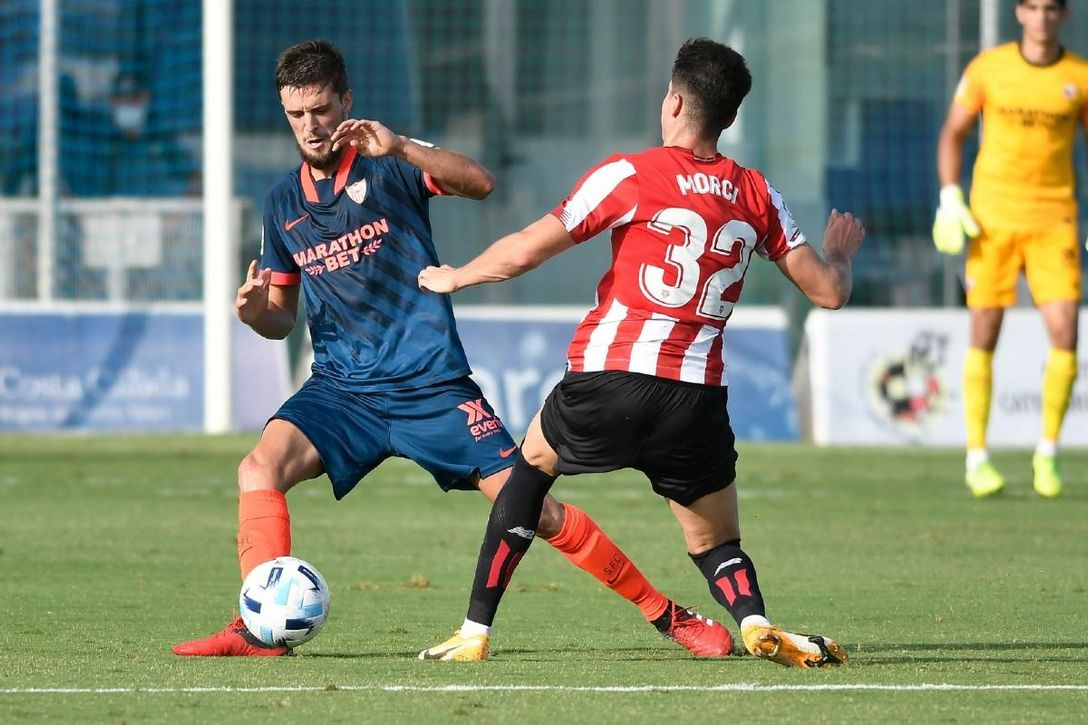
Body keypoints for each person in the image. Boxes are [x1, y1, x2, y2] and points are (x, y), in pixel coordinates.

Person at [173, 39, 730, 658]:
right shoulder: (282, 203)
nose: (311, 126)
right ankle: (259, 629)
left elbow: (482, 183)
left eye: (322, 110)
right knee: (257, 468)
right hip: (341, 390)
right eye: (297, 115)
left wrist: (403, 146)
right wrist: (255, 314)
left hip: (430, 387)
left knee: (535, 510)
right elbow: (280, 319)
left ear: (346, 101)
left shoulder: (389, 163)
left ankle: (667, 615)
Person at [417, 37, 864, 668]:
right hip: (694, 398)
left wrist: (456, 276)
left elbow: (525, 251)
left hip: (611, 375)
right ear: (729, 119)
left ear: (675, 101)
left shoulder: (631, 173)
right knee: (714, 540)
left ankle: (473, 631)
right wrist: (841, 253)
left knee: (531, 467)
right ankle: (756, 620)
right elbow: (828, 290)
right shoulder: (757, 193)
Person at [933, 0, 1086, 499]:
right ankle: (977, 457)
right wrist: (950, 195)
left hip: (1053, 219)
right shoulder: (988, 68)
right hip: (992, 219)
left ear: (1063, 16)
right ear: (1020, 13)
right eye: (1033, 7)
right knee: (985, 330)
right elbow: (953, 134)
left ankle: (1047, 454)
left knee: (1066, 330)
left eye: (1051, 9)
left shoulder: (1078, 76)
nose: (1042, 17)